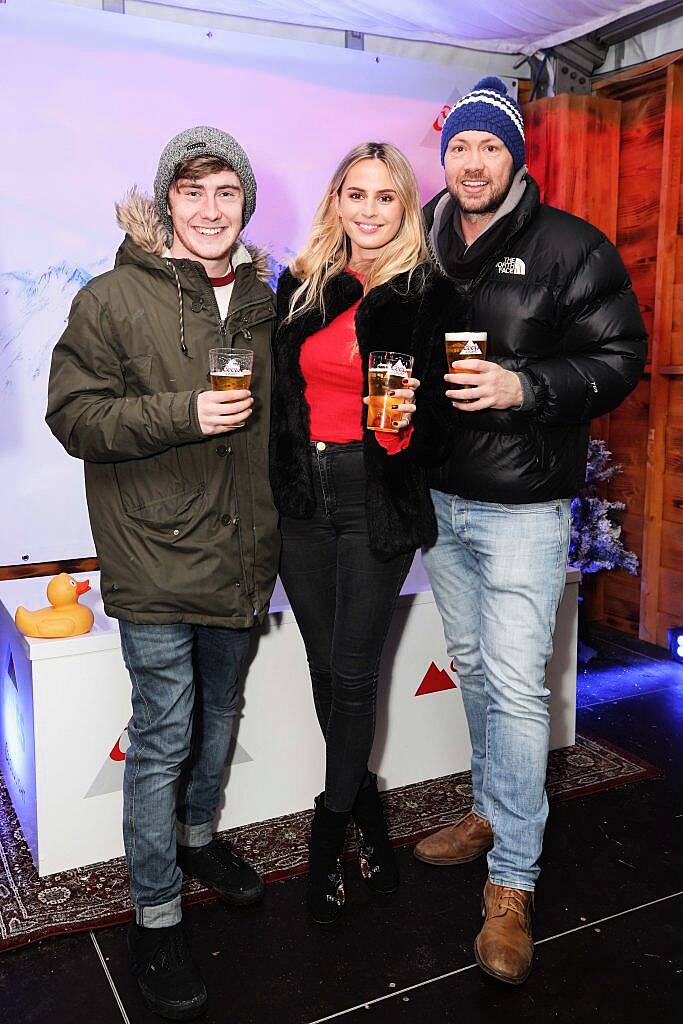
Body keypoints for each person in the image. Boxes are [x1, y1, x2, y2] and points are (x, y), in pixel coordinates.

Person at [414, 78, 647, 984]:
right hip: (441, 499)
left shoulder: (570, 246)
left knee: (514, 687)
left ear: (514, 155)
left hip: (524, 507)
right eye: (459, 147)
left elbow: (618, 357)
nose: (471, 162)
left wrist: (525, 387)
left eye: (489, 146)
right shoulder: (428, 240)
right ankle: (487, 809)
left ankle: (512, 881)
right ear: (444, 157)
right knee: (474, 668)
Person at [46, 126, 280, 1020]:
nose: (210, 210)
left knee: (220, 712)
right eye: (193, 193)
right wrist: (184, 413)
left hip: (241, 553)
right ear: (167, 204)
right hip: (152, 552)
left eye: (226, 193)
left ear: (244, 204)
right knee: (164, 731)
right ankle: (154, 911)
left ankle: (196, 839)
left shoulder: (264, 300)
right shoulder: (111, 298)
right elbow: (75, 417)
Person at [271, 142, 465, 923]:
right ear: (336, 201)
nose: (369, 210)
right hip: (300, 500)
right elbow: (281, 398)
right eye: (356, 194)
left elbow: (452, 418)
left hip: (373, 494)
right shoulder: (302, 285)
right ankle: (370, 816)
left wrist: (411, 428)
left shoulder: (430, 295)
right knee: (325, 668)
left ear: (405, 207)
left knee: (353, 675)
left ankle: (327, 834)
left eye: (385, 198)